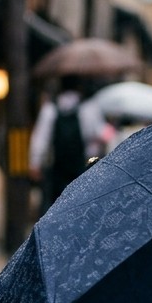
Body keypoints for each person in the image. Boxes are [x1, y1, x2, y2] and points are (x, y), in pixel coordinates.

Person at [28, 76, 112, 208]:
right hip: (81, 166)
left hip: (57, 168)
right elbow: (100, 133)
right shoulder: (88, 108)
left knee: (57, 205)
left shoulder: (50, 108)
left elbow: (41, 138)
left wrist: (35, 162)